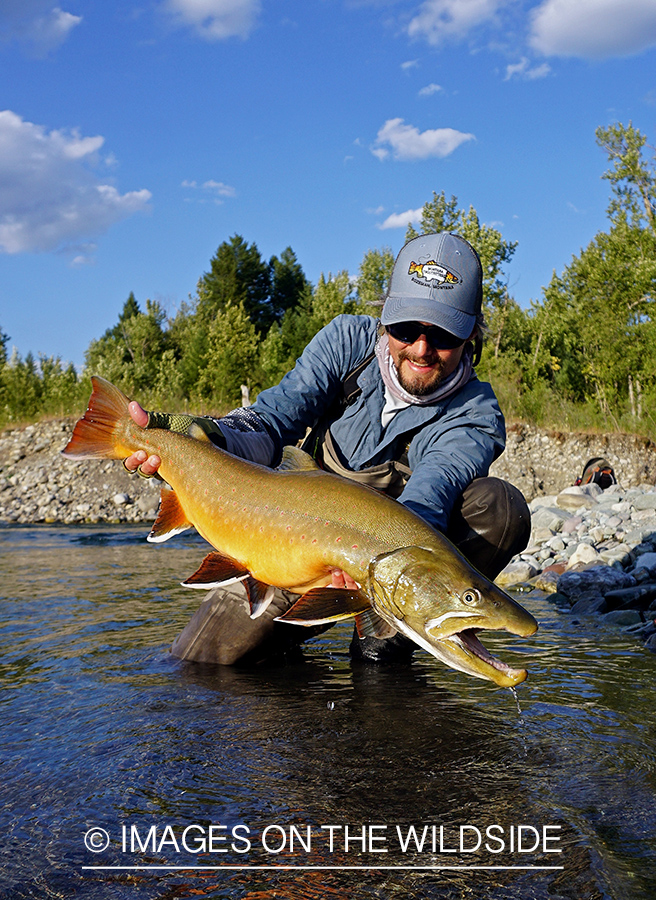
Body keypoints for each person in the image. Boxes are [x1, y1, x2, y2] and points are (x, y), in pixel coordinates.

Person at [124, 232, 530, 665]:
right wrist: (201, 435)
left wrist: (372, 573)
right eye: (406, 328)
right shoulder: (346, 344)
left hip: (381, 569)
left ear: (471, 335)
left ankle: (384, 641)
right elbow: (270, 422)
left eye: (443, 335)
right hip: (284, 538)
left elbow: (427, 501)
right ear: (384, 319)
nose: (421, 349)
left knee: (499, 506)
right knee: (202, 664)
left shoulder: (476, 413)